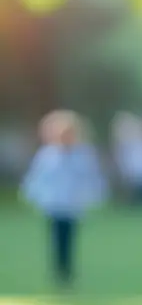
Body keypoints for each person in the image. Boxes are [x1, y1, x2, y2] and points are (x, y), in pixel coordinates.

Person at [21, 110, 107, 287]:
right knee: (56, 237)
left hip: (72, 204)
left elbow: (91, 177)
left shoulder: (83, 154)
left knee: (69, 238)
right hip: (54, 204)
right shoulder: (47, 155)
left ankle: (67, 270)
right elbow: (36, 178)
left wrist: (94, 196)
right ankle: (59, 269)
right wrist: (33, 196)